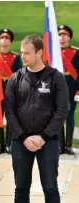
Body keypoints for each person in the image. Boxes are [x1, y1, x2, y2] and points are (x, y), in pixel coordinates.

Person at [5, 35, 69, 203]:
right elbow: (9, 112)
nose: (23, 57)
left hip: (48, 141)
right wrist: (23, 138)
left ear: (39, 52)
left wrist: (43, 137)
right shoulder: (15, 78)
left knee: (50, 188)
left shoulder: (56, 77)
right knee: (21, 188)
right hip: (21, 141)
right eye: (21, 52)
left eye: (27, 53)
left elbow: (61, 111)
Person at [0, 28, 22, 154]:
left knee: (11, 117)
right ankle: (1, 145)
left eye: (7, 38)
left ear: (10, 41)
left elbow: (19, 76)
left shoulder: (15, 58)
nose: (4, 40)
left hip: (10, 90)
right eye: (2, 38)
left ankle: (9, 144)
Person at [58, 25, 79, 155]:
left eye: (65, 35)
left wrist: (78, 91)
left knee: (69, 115)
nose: (62, 37)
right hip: (57, 88)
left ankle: (69, 145)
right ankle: (60, 146)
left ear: (69, 37)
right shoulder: (52, 51)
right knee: (58, 116)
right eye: (60, 35)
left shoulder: (76, 52)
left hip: (71, 87)